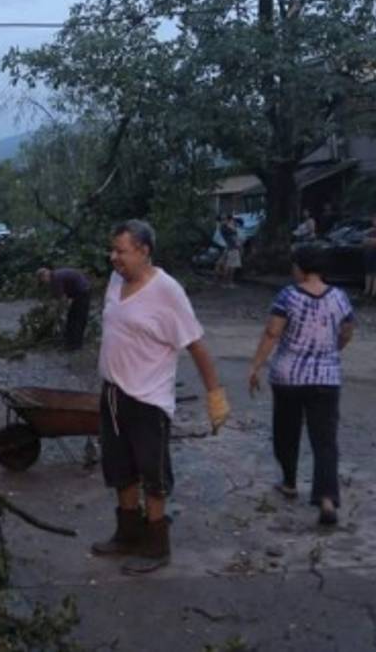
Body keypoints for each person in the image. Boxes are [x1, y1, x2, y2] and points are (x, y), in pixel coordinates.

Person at [92, 220, 230, 574]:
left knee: (152, 474)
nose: (114, 258)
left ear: (144, 251)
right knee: (119, 469)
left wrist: (215, 394)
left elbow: (196, 345)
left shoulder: (167, 291)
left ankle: (156, 547)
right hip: (112, 393)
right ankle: (127, 534)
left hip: (147, 398)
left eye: (121, 251)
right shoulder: (115, 281)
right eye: (113, 250)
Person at [247, 247, 354, 527]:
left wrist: (256, 365)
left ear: (300, 268)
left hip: (288, 377)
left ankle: (290, 483)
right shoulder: (339, 297)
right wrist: (333, 350)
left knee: (286, 430)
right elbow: (347, 331)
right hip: (326, 378)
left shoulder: (288, 296)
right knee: (325, 441)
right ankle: (328, 499)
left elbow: (272, 333)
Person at [37, 267, 92, 350]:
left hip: (83, 292)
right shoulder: (55, 275)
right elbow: (57, 296)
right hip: (79, 292)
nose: (45, 284)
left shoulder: (55, 279)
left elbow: (62, 299)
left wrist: (59, 312)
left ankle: (75, 345)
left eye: (43, 281)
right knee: (72, 318)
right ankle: (71, 342)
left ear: (44, 276)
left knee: (77, 320)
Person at [218, 216, 242, 287]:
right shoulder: (231, 231)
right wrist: (239, 246)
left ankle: (224, 283)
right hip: (233, 249)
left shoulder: (223, 229)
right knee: (231, 267)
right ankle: (229, 283)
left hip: (228, 248)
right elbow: (235, 240)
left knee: (227, 266)